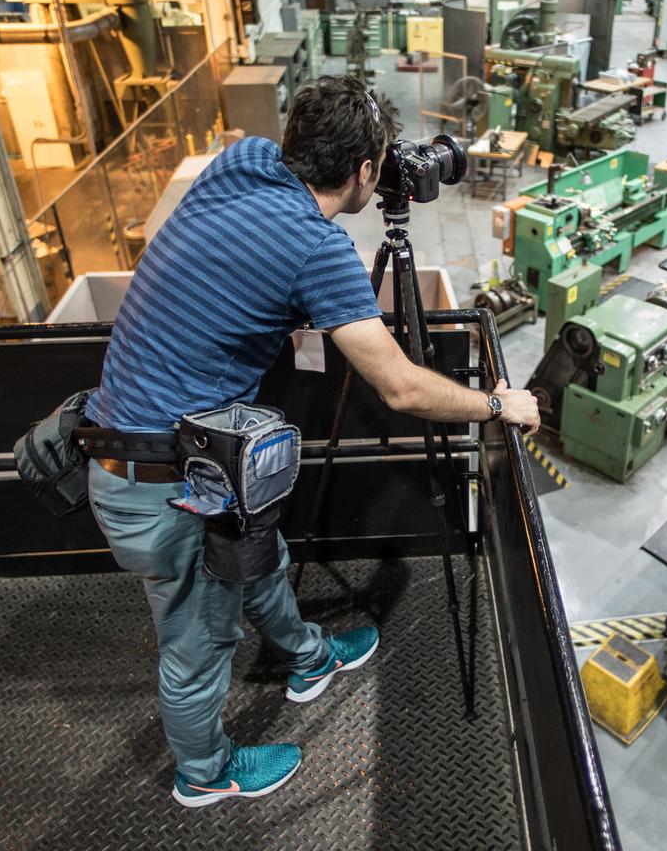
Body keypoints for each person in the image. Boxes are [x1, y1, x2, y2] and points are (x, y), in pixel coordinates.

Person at [85, 75, 541, 808]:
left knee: (261, 558)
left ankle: (306, 659)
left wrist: (366, 154)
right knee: (199, 642)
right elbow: (400, 386)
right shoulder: (316, 250)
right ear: (365, 171)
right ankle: (203, 775)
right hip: (162, 483)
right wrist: (495, 402)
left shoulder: (242, 162)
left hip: (183, 454)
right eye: (380, 164)